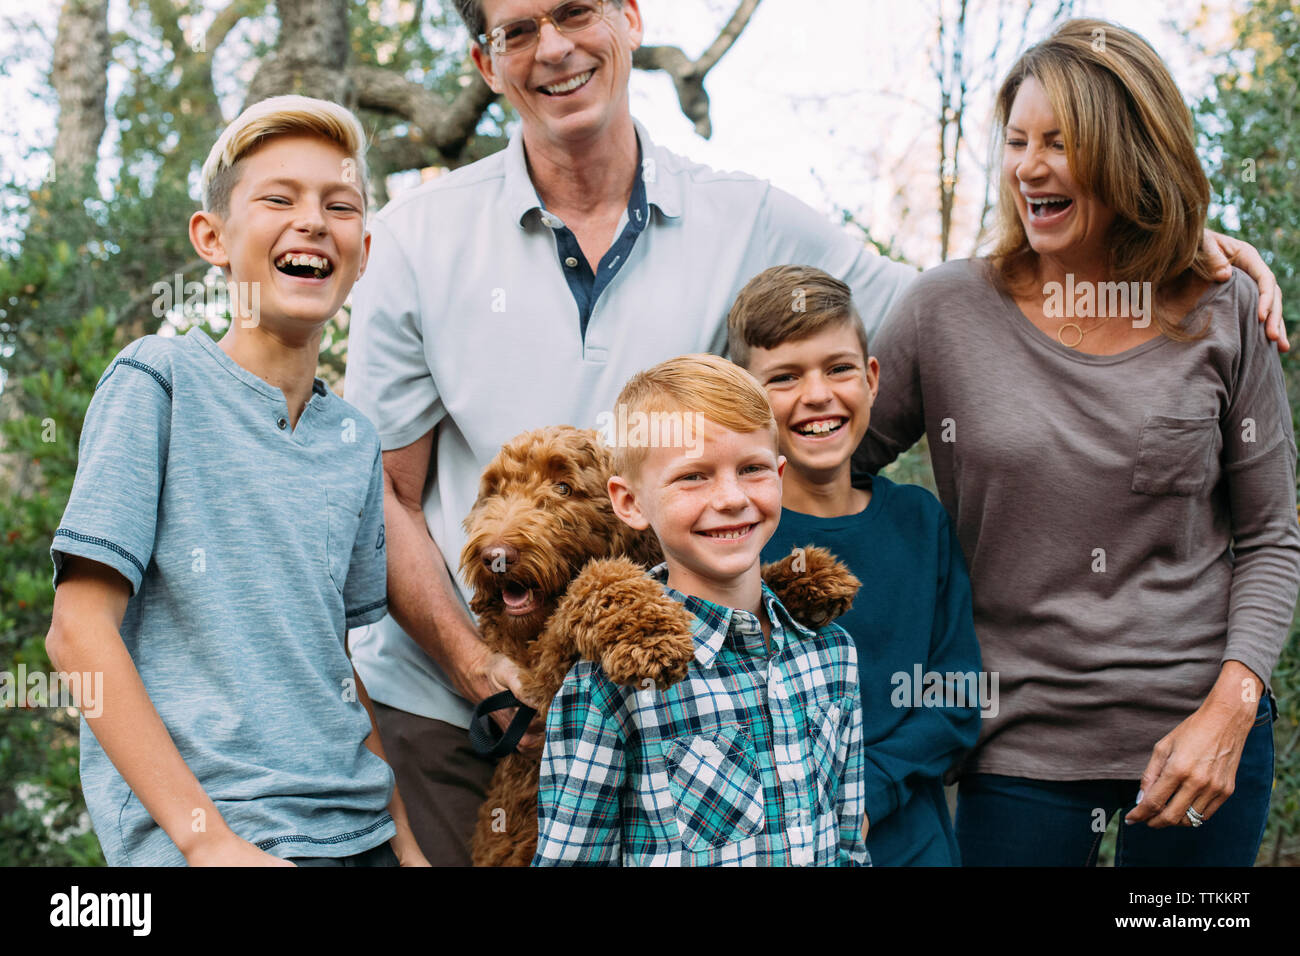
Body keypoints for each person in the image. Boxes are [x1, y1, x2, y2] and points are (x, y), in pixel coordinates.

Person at [342, 0, 1286, 864]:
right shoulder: (418, 236)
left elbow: (922, 321)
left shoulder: (746, 216)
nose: (552, 45)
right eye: (518, 29)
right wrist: (490, 679)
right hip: (468, 707)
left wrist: (1174, 246)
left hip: (691, 708)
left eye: (577, 10)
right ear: (483, 59)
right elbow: (383, 492)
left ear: (629, 19)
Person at [853, 19, 1300, 866]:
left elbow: (1274, 534)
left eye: (1061, 143)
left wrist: (1233, 707)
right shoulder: (943, 311)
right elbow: (821, 477)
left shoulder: (1223, 308)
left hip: (1204, 746)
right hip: (1018, 753)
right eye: (1017, 141)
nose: (1029, 166)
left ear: (1131, 153)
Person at [44, 96, 428, 866]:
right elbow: (77, 635)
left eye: (340, 204)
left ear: (363, 247)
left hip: (361, 836)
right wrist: (207, 839)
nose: (313, 221)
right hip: (221, 840)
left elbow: (334, 661)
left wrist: (409, 849)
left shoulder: (353, 438)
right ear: (211, 238)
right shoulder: (158, 380)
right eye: (278, 199)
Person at [533, 353, 866, 865]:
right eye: (693, 477)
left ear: (779, 475)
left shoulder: (831, 653)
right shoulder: (609, 683)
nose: (731, 498)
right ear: (630, 502)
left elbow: (848, 843)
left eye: (752, 469)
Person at [729, 265, 982, 866]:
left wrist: (869, 790)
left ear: (871, 379)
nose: (818, 394)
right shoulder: (729, 533)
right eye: (785, 377)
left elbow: (956, 698)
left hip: (908, 842)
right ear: (745, 396)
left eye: (838, 368)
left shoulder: (921, 523)